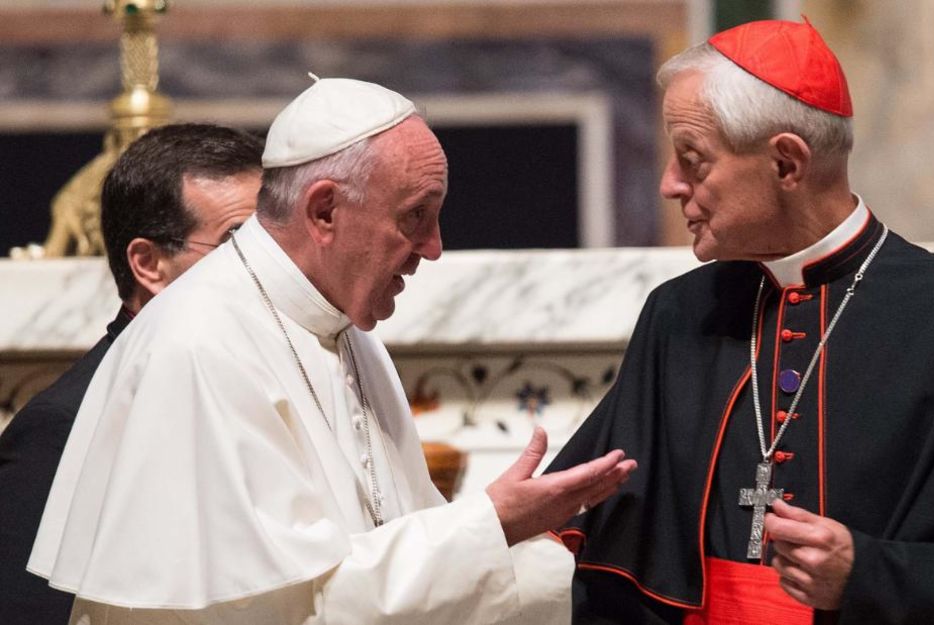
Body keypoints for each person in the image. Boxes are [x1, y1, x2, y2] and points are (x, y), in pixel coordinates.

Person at [547, 18, 934, 625]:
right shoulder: (677, 314)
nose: (668, 185)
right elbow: (596, 550)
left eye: (692, 160)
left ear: (787, 164)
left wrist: (867, 574)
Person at [29, 78, 636, 624]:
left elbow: (389, 557)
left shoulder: (350, 335)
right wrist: (494, 524)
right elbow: (294, 609)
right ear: (324, 210)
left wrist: (533, 547)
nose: (433, 248)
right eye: (415, 217)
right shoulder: (200, 346)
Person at [0, 123, 263, 625]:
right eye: (238, 243)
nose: (268, 268)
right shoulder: (62, 426)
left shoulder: (268, 385)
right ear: (148, 264)